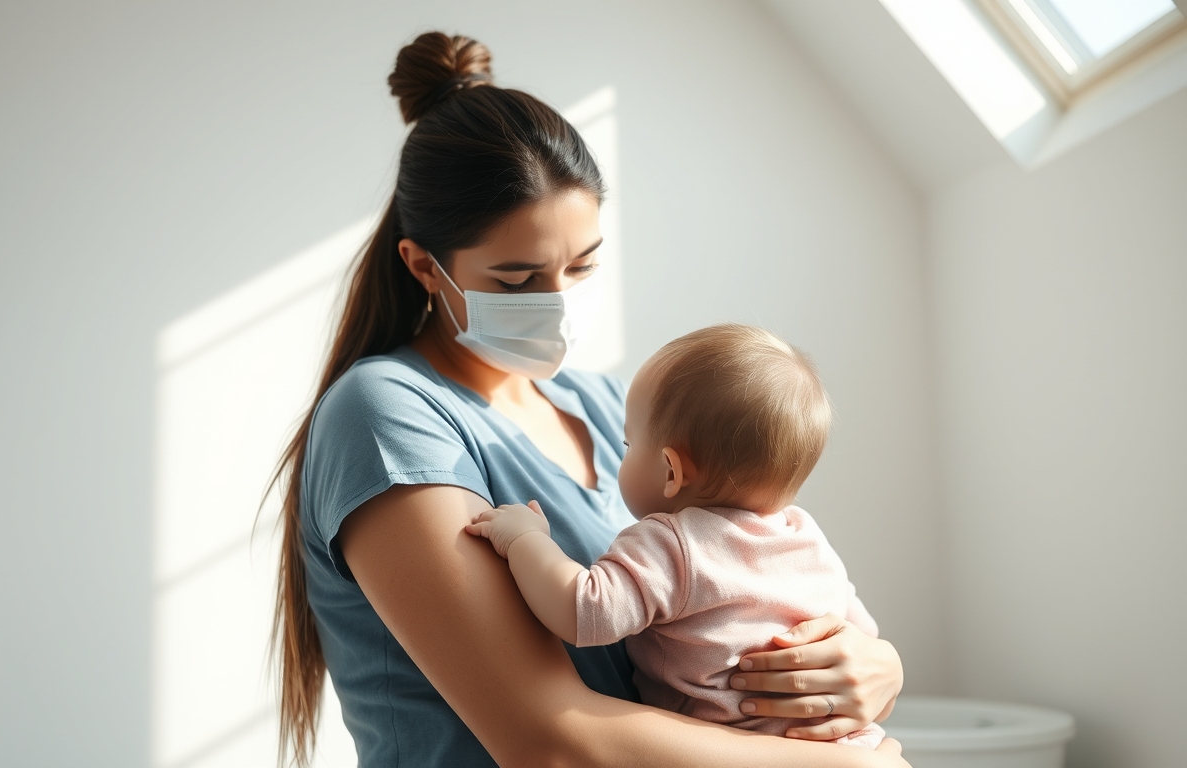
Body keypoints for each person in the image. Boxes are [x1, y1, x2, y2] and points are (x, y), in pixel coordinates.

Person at [272, 30, 908, 768]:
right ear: (423, 267)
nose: (557, 301)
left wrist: (876, 667)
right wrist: (843, 763)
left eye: (581, 266)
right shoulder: (385, 415)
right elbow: (546, 740)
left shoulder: (609, 407)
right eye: (517, 280)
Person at [465, 323, 886, 748]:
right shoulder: (806, 536)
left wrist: (524, 539)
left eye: (628, 445)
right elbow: (861, 636)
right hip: (848, 745)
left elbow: (584, 610)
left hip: (742, 751)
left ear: (671, 472)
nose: (623, 453)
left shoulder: (672, 544)